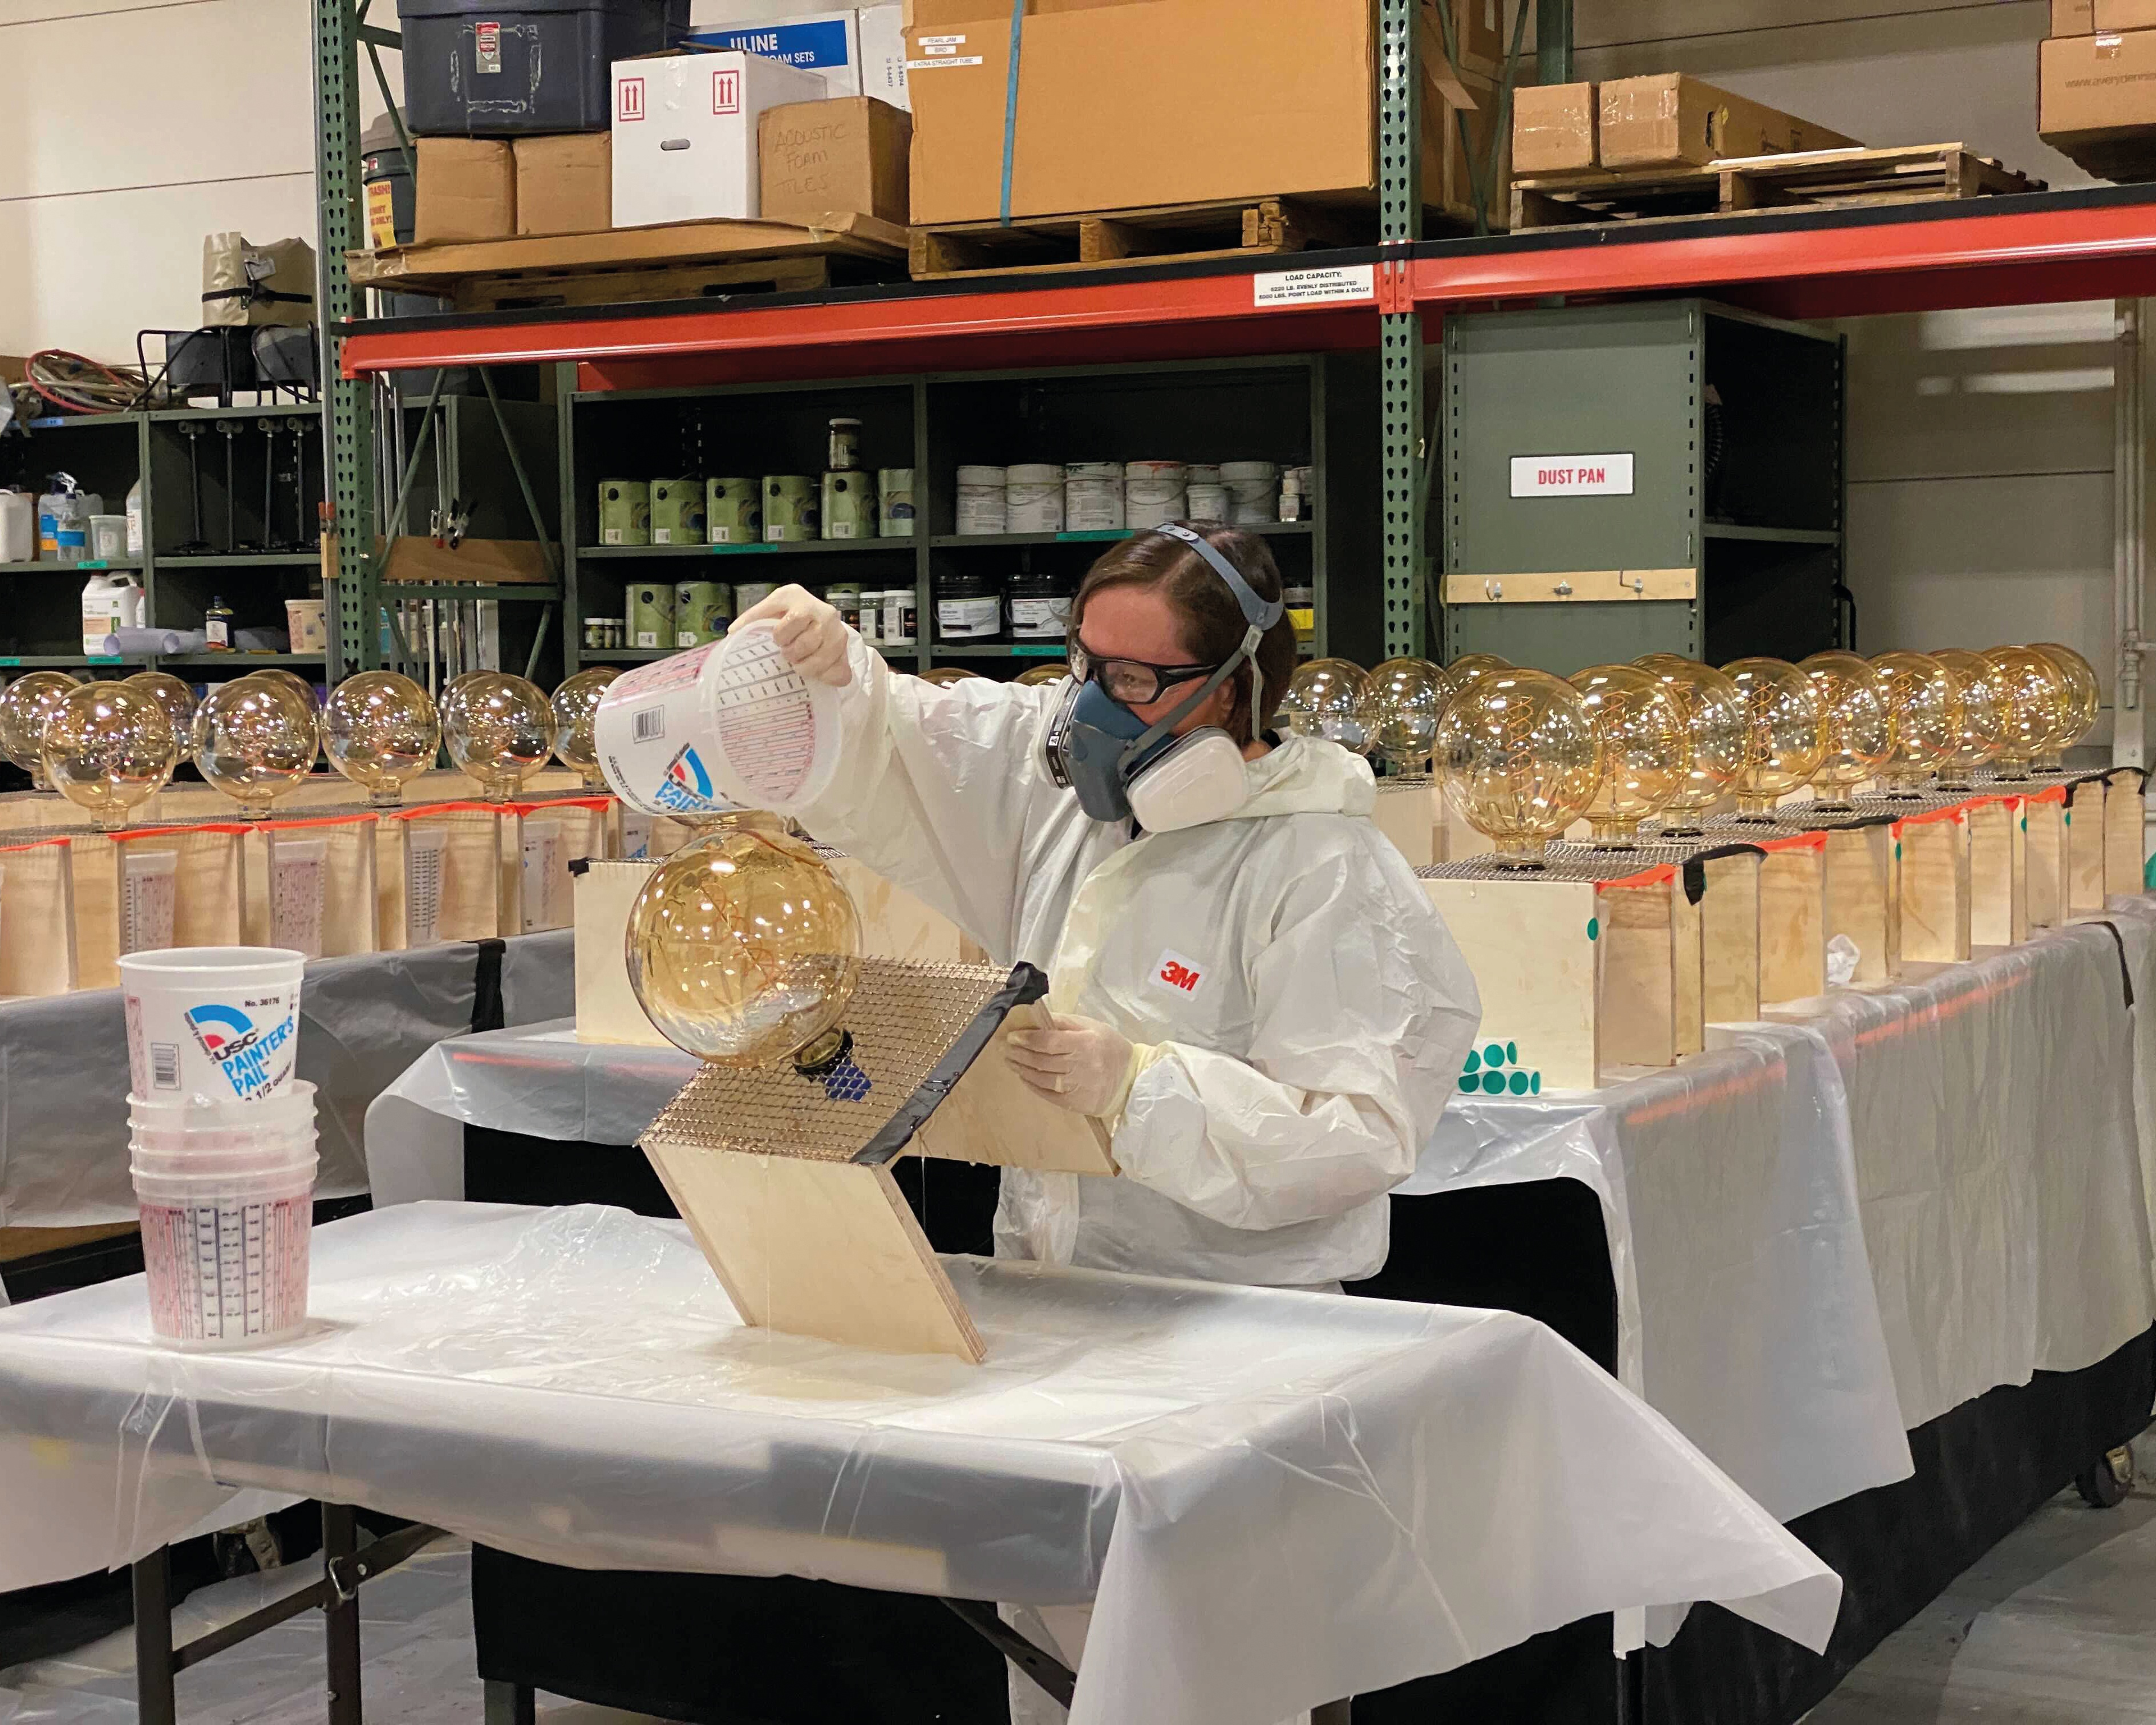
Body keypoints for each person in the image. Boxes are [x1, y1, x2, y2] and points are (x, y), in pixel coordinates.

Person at [729, 523, 1480, 1719]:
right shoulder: (1074, 812)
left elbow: (1357, 1132)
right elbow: (919, 739)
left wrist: (1142, 1089)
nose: (1093, 706)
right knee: (1058, 1658)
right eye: (1087, 663)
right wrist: (831, 668)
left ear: (1235, 686)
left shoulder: (1320, 866)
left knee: (1212, 1672)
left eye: (1136, 678)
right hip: (1059, 1316)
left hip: (1235, 1349)